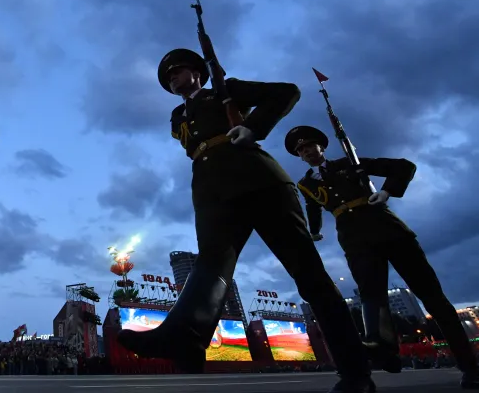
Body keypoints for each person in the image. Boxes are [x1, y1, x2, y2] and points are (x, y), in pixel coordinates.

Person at [116, 48, 374, 393]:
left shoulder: (225, 90)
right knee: (210, 266)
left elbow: (286, 92)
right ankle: (185, 337)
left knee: (310, 276)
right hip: (212, 190)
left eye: (177, 72)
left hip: (259, 180)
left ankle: (355, 372)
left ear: (197, 72)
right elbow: (197, 145)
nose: (172, 80)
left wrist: (252, 127)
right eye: (168, 78)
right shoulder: (179, 114)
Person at [286, 125, 479, 390]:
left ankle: (470, 367)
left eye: (310, 146)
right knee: (371, 298)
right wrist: (315, 231)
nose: (307, 152)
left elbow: (404, 166)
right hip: (356, 241)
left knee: (433, 297)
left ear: (322, 147)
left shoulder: (352, 162)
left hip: (389, 230)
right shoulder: (306, 184)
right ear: (299, 156)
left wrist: (386, 191)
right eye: (301, 150)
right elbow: (313, 206)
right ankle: (385, 350)